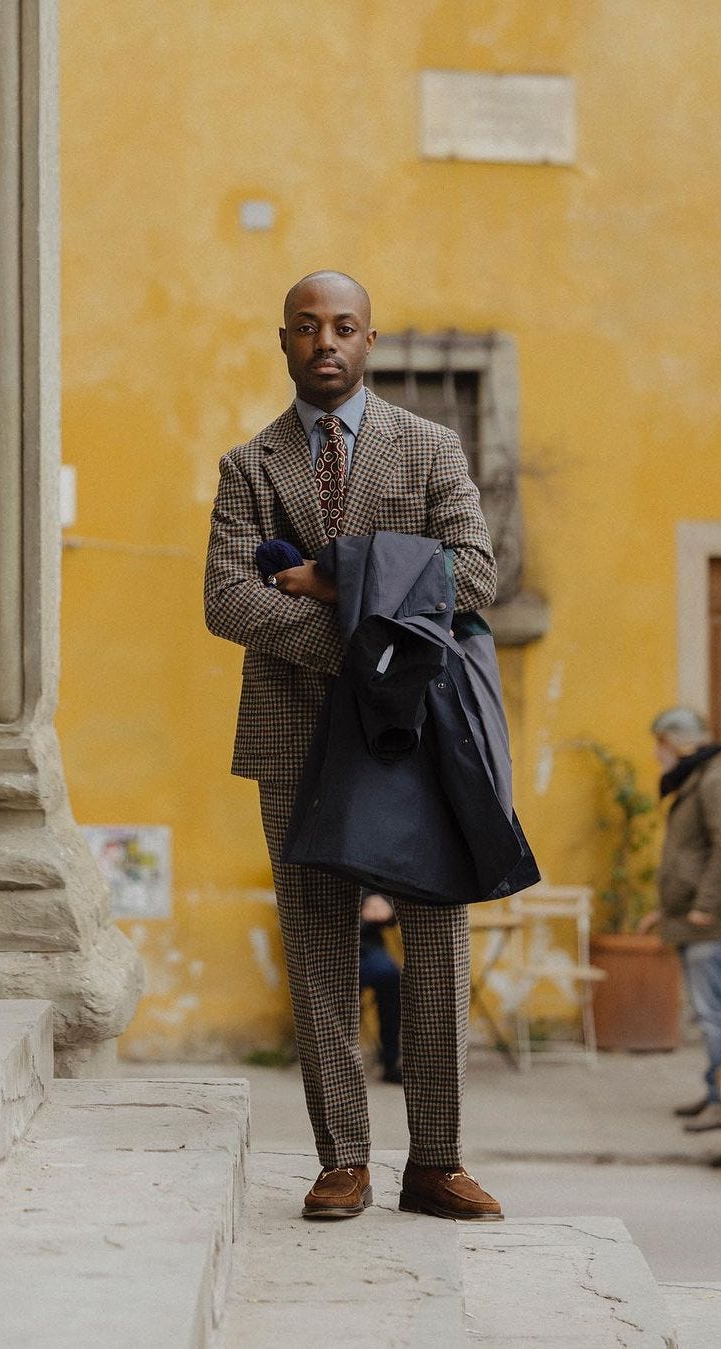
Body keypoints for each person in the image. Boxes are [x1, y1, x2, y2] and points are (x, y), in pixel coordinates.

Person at [204, 270, 504, 1221]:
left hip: (412, 733)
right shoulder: (248, 467)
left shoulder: (429, 448)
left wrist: (337, 583)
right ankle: (344, 1158)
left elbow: (478, 574)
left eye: (344, 327)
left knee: (438, 941)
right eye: (306, 327)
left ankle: (437, 1159)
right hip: (294, 737)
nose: (325, 341)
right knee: (319, 945)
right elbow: (227, 599)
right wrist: (377, 625)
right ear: (283, 342)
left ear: (370, 341)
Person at [639, 707, 721, 1131]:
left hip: (713, 921)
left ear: (680, 742)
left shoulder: (718, 779)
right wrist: (665, 912)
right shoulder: (703, 776)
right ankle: (714, 1091)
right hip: (696, 917)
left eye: (660, 744)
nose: (656, 754)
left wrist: (704, 905)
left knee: (714, 1012)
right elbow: (695, 855)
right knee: (709, 1011)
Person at [359, 893, 402, 1084]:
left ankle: (390, 1060)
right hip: (330, 943)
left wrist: (384, 903)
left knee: (391, 977)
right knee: (340, 986)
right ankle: (334, 1059)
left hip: (369, 946)